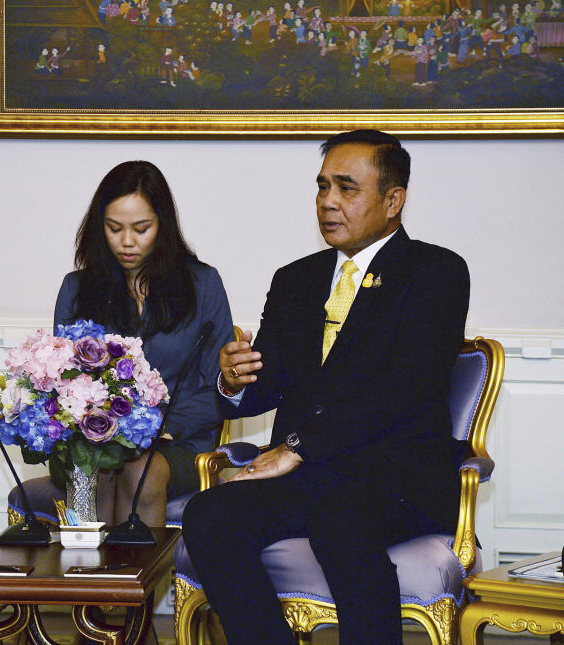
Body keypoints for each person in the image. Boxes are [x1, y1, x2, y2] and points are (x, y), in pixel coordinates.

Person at [182, 130, 470, 645]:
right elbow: (266, 390)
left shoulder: (436, 272)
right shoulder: (296, 279)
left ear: (393, 200)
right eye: (322, 187)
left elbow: (406, 392)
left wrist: (295, 447)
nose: (328, 202)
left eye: (346, 188)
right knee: (209, 514)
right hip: (312, 474)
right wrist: (232, 379)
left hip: (399, 476)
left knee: (343, 516)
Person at [55, 160, 234, 527]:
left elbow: (216, 387)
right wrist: (103, 429)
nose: (127, 241)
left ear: (162, 226)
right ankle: (90, 581)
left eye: (141, 229)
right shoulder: (77, 290)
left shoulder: (202, 285)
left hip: (177, 441)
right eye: (114, 228)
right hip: (93, 440)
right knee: (97, 470)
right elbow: (63, 385)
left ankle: (135, 585)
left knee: (140, 472)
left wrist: (159, 428)